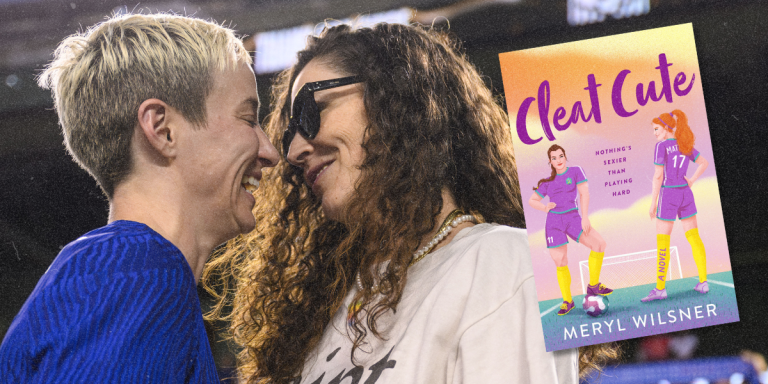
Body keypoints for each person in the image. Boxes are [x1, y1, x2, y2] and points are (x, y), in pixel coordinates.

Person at [204, 23, 616, 384]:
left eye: (313, 110)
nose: (294, 149)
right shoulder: (333, 305)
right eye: (289, 130)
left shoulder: (502, 264)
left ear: (396, 98)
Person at [0, 13, 279, 382]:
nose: (270, 151)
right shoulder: (144, 274)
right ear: (162, 129)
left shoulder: (115, 270)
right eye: (248, 118)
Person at [528, 145, 612, 316]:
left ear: (565, 157)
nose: (558, 160)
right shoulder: (547, 182)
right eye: (554, 158)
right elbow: (532, 201)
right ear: (550, 162)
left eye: (561, 156)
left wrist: (585, 217)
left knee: (599, 244)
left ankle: (593, 285)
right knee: (560, 261)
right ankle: (568, 301)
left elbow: (584, 194)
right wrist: (545, 208)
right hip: (554, 223)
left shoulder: (575, 171)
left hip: (573, 218)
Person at [643, 110, 709, 302]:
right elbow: (703, 163)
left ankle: (660, 289)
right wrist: (692, 180)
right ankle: (703, 282)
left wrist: (653, 202)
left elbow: (658, 176)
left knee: (663, 242)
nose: (655, 133)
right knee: (694, 238)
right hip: (686, 194)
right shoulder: (684, 144)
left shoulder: (661, 146)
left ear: (666, 128)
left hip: (669, 194)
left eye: (656, 129)